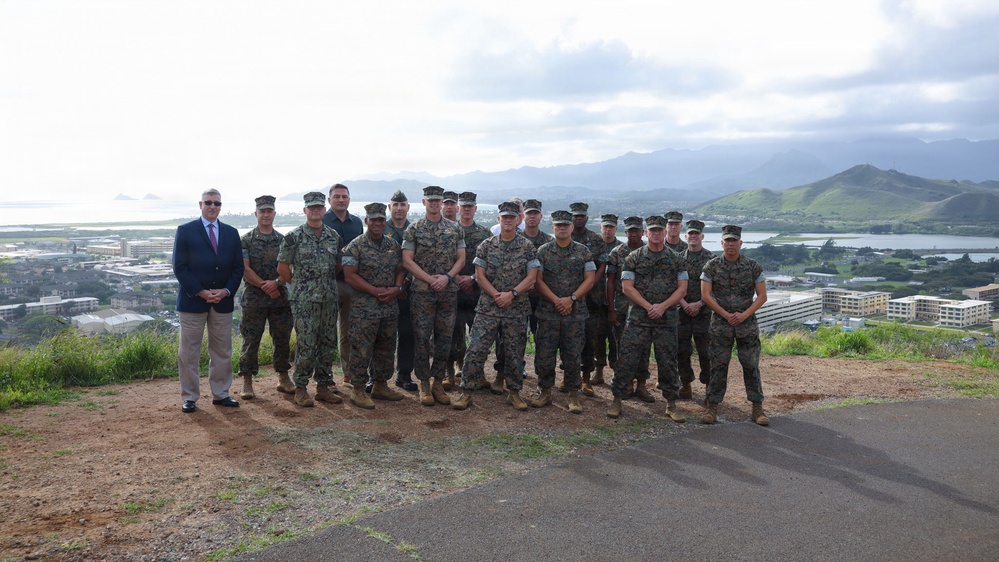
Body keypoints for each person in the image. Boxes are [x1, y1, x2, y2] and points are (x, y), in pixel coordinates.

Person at [452, 202, 540, 411]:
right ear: (498, 220)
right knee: (475, 349)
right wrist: (496, 295)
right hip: (488, 308)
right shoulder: (486, 245)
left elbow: (532, 277)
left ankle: (515, 392)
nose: (508, 221)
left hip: (516, 308)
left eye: (511, 217)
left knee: (515, 352)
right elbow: (479, 276)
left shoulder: (527, 247)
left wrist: (512, 294)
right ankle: (467, 392)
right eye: (504, 217)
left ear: (518, 220)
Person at [608, 215, 687, 422]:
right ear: (646, 233)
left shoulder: (676, 258)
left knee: (668, 361)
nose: (655, 234)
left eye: (659, 230)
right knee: (626, 359)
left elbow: (682, 289)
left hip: (666, 319)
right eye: (652, 230)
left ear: (664, 233)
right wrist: (648, 307)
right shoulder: (632, 258)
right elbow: (627, 288)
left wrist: (662, 307)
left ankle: (671, 404)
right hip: (638, 319)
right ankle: (617, 399)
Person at [173, 188, 244, 414]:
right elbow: (180, 268)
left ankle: (221, 394)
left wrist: (225, 291)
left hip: (222, 302)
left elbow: (238, 268)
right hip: (192, 301)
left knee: (222, 351)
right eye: (209, 202)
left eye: (217, 203)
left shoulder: (231, 233)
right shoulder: (185, 231)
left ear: (221, 206)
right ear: (200, 204)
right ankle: (190, 397)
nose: (213, 206)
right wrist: (201, 292)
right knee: (189, 353)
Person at [699, 224, 770, 426]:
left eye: (734, 241)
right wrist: (726, 314)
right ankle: (712, 408)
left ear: (740, 243)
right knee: (718, 367)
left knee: (751, 366)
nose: (731, 244)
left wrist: (744, 315)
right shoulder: (711, 266)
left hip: (746, 327)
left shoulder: (752, 266)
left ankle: (757, 408)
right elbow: (705, 295)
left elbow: (762, 296)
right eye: (727, 241)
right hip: (720, 326)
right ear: (722, 243)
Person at [278, 192, 343, 407]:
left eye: (319, 207)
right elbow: (283, 269)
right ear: (305, 210)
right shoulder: (293, 237)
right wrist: (300, 287)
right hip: (304, 301)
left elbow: (337, 266)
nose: (315, 211)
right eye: (311, 208)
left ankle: (323, 387)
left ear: (324, 210)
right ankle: (301, 388)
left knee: (327, 343)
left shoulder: (333, 236)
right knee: (306, 345)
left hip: (329, 299)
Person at [402, 185, 466, 406]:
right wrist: (430, 279)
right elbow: (407, 260)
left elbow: (461, 258)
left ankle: (438, 382)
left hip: (447, 292)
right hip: (422, 293)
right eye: (431, 200)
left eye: (438, 200)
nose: (435, 203)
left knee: (444, 338)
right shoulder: (414, 229)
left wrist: (447, 277)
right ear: (424, 202)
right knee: (422, 338)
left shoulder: (455, 228)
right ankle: (424, 382)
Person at [341, 202, 407, 409]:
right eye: (373, 219)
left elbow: (400, 268)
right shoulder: (355, 246)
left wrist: (397, 288)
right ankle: (358, 389)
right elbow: (349, 276)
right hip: (364, 306)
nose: (377, 223)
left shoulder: (392, 245)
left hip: (388, 305)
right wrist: (374, 290)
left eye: (381, 219)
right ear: (366, 220)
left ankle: (380, 385)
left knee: (386, 346)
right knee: (361, 348)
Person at [530, 210, 595, 414]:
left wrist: (571, 299)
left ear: (572, 228)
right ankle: (545, 391)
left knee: (573, 354)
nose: (562, 228)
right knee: (545, 354)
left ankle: (573, 393)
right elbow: (537, 280)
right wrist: (556, 300)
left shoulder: (583, 251)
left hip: (574, 313)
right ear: (553, 228)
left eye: (565, 225)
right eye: (558, 225)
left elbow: (590, 279)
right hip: (548, 312)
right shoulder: (543, 250)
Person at [237, 195, 293, 399]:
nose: (266, 215)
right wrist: (265, 285)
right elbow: (245, 268)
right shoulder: (246, 240)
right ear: (256, 214)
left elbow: (288, 268)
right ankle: (247, 380)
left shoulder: (284, 240)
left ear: (274, 214)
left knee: (282, 338)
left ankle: (283, 377)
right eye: (262, 211)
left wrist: (276, 283)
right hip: (254, 297)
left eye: (269, 211)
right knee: (251, 339)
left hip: (279, 297)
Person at [446, 191, 492, 390]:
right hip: (452, 292)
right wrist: (455, 277)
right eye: (463, 205)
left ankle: (477, 373)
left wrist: (472, 278)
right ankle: (449, 374)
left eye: (469, 206)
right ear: (458, 208)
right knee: (451, 333)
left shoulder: (484, 234)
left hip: (476, 293)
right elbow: (441, 260)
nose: (466, 209)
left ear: (475, 209)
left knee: (478, 335)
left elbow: (491, 263)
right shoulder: (449, 231)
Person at [322, 183, 363, 384]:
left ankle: (348, 373)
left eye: (344, 196)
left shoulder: (356, 223)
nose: (340, 200)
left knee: (349, 332)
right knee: (327, 331)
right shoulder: (321, 220)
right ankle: (325, 374)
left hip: (351, 284)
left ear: (349, 199)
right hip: (328, 283)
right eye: (336, 196)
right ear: (329, 200)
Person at [569, 202, 609, 396]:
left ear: (586, 217)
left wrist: (591, 283)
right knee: (569, 338)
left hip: (592, 297)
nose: (578, 219)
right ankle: (570, 377)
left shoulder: (595, 239)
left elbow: (602, 265)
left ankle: (586, 379)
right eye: (575, 216)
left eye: (581, 216)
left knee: (590, 337)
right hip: (570, 296)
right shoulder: (565, 236)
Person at [605, 216, 648, 396]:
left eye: (637, 230)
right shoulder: (617, 252)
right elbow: (610, 282)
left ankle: (642, 384)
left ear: (642, 232)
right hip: (622, 308)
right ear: (626, 232)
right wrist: (611, 309)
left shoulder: (650, 251)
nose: (634, 234)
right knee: (621, 348)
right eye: (630, 230)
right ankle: (625, 383)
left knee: (644, 348)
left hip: (644, 309)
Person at [677, 220, 715, 400]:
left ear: (702, 236)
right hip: (681, 313)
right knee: (681, 351)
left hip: (704, 314)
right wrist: (685, 304)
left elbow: (716, 287)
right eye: (690, 234)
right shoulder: (677, 258)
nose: (693, 237)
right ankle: (685, 384)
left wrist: (699, 304)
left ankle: (709, 386)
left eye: (696, 234)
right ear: (685, 237)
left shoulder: (712, 260)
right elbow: (672, 286)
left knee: (706, 352)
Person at [385, 189, 417, 391]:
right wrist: (393, 286)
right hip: (385, 291)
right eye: (395, 205)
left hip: (409, 291)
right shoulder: (379, 226)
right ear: (390, 207)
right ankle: (377, 377)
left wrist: (406, 282)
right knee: (382, 336)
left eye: (402, 204)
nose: (399, 208)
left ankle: (404, 375)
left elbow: (420, 260)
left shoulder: (415, 230)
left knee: (407, 334)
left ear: (408, 207)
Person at [592, 213, 622, 385]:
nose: (608, 230)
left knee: (616, 338)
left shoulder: (621, 248)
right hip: (596, 300)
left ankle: (617, 371)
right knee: (598, 337)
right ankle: (599, 370)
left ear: (616, 229)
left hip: (617, 302)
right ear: (600, 228)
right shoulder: (595, 246)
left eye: (611, 227)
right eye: (606, 227)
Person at [520, 198, 554, 343]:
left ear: (541, 216)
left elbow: (553, 271)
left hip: (542, 299)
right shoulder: (516, 239)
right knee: (515, 338)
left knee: (543, 339)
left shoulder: (549, 242)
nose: (532, 217)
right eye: (529, 213)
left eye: (535, 213)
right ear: (523, 216)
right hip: (518, 297)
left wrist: (537, 286)